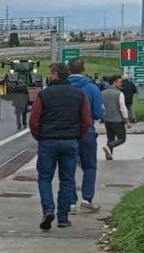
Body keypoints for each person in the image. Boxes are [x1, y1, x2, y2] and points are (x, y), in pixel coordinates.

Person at [29, 62, 91, 230]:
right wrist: (77, 137)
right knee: (67, 180)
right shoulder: (79, 94)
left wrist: (41, 137)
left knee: (44, 178)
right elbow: (86, 120)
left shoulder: (44, 95)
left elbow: (34, 121)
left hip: (48, 141)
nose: (49, 76)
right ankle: (63, 217)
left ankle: (48, 209)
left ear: (55, 74)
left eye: (50, 73)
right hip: (70, 141)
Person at [66, 57, 104, 213]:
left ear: (69, 69)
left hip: (67, 132)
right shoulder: (92, 88)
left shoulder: (63, 87)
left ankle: (70, 203)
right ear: (83, 69)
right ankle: (87, 199)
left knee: (68, 167)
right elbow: (98, 113)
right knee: (89, 166)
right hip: (87, 131)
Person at [102, 74, 128, 159]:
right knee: (122, 139)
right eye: (120, 82)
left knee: (110, 138)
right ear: (114, 82)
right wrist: (127, 121)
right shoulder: (119, 93)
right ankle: (109, 146)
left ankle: (109, 155)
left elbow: (101, 106)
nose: (121, 84)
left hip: (107, 119)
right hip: (117, 120)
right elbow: (122, 108)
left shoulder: (102, 92)